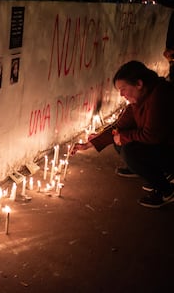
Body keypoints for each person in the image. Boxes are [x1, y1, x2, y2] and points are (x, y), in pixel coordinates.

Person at [72, 60, 174, 208]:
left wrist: (123, 137)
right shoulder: (141, 99)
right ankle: (155, 174)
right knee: (120, 141)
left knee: (130, 151)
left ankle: (167, 190)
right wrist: (89, 144)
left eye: (123, 89)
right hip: (161, 146)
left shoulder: (160, 96)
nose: (121, 94)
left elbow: (152, 135)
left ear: (139, 84)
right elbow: (119, 126)